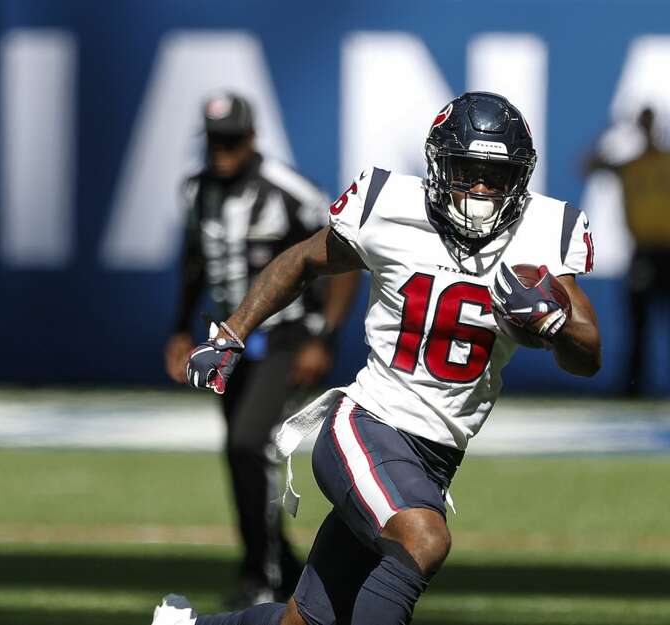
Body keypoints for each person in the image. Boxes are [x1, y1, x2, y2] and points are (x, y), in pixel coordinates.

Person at [154, 91, 601, 625]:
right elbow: (301, 260)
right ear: (439, 166)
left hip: (436, 455)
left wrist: (553, 325)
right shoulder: (391, 207)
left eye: (495, 175)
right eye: (467, 170)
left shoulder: (544, 232)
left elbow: (587, 355)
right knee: (423, 539)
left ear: (520, 179)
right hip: (368, 425)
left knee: (309, 620)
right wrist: (231, 331)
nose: (480, 189)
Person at [165, 92, 360, 606]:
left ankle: (262, 575)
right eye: (214, 142)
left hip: (286, 337)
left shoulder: (288, 190)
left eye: (231, 141)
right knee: (239, 451)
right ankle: (280, 567)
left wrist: (324, 337)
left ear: (252, 139)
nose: (222, 152)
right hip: (228, 339)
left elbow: (345, 257)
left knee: (249, 443)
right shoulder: (196, 191)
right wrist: (181, 329)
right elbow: (194, 261)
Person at [584, 106, 667, 396]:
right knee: (638, 325)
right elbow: (589, 165)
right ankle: (634, 388)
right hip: (643, 252)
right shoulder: (631, 165)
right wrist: (612, 132)